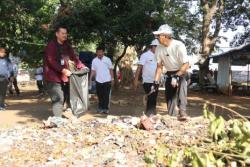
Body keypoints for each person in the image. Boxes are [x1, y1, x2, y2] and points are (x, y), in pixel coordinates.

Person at [44, 26, 84, 117]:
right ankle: (57, 120)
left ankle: (64, 116)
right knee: (58, 99)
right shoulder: (51, 45)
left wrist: (82, 66)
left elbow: (74, 58)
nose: (65, 35)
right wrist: (62, 70)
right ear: (57, 34)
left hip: (65, 78)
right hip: (53, 78)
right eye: (63, 33)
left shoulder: (67, 45)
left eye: (66, 33)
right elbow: (51, 61)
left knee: (67, 97)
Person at [152, 24, 190, 120]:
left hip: (182, 71)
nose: (156, 38)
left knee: (182, 84)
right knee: (169, 93)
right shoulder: (159, 48)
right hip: (169, 72)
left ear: (165, 36)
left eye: (158, 35)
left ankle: (182, 111)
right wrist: (155, 81)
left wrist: (176, 76)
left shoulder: (178, 45)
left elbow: (186, 64)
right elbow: (159, 67)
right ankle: (172, 115)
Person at [134, 39, 160, 116]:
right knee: (150, 97)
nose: (157, 48)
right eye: (156, 46)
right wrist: (135, 80)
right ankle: (150, 114)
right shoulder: (145, 55)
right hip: (147, 81)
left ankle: (151, 114)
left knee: (153, 98)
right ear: (152, 46)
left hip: (156, 81)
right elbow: (139, 68)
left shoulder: (159, 56)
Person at [89, 46, 114, 114]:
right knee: (100, 95)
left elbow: (111, 70)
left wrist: (112, 79)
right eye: (98, 52)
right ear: (96, 52)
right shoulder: (94, 60)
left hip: (107, 80)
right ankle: (100, 108)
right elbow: (93, 71)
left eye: (101, 52)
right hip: (98, 80)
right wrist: (90, 79)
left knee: (106, 95)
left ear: (103, 52)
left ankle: (105, 109)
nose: (99, 53)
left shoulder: (107, 59)